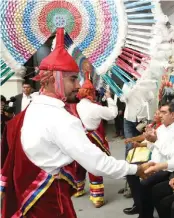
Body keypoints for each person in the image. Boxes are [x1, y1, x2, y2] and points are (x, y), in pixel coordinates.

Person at [0, 27, 151, 218]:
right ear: (53, 80)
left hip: (28, 198)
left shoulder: (32, 107)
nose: (78, 85)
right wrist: (136, 169)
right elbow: (98, 164)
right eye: (73, 79)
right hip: (50, 202)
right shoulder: (60, 118)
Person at [124, 102, 174, 218]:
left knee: (145, 184)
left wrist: (155, 141)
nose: (160, 115)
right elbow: (153, 146)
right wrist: (147, 141)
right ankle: (139, 206)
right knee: (131, 171)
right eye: (160, 112)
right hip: (154, 163)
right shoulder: (162, 128)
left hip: (167, 168)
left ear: (173, 114)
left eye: (164, 112)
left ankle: (145, 214)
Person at [68, 64, 118, 208]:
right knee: (94, 165)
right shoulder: (95, 108)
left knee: (79, 164)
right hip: (93, 139)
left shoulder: (75, 106)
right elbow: (113, 114)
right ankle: (96, 197)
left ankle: (78, 188)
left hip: (79, 138)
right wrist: (109, 98)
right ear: (92, 93)